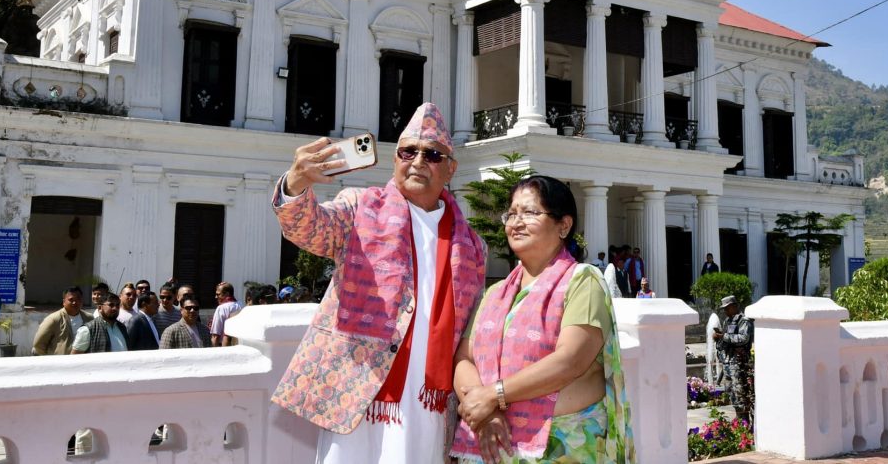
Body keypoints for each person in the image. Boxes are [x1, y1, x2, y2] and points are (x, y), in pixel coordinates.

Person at [271, 102, 486, 464]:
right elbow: (309, 229)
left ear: (450, 169)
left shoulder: (473, 246)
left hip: (428, 401)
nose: (418, 161)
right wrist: (296, 182)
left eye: (432, 154)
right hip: (358, 389)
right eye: (408, 151)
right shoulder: (360, 206)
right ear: (395, 159)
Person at [451, 176, 634, 464]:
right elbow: (464, 358)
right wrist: (487, 410)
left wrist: (494, 395)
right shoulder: (495, 293)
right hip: (496, 443)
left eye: (530, 212)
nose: (516, 222)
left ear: (563, 225)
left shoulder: (582, 281)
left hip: (565, 447)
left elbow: (570, 360)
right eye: (511, 213)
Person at [714, 295, 754, 425]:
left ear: (734, 306)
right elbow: (725, 339)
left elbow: (744, 338)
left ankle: (745, 421)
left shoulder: (744, 321)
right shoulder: (727, 321)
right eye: (724, 309)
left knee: (740, 391)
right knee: (731, 391)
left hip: (739, 363)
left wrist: (723, 336)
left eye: (727, 308)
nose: (725, 311)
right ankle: (738, 417)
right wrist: (719, 338)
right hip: (728, 362)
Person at [32, 286, 91, 355]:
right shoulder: (53, 319)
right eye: (71, 300)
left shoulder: (89, 318)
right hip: (60, 363)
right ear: (64, 302)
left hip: (85, 362)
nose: (75, 302)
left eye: (78, 299)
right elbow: (38, 345)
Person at [211, 282, 242, 347]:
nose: (216, 297)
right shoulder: (241, 305)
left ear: (227, 294)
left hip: (224, 347)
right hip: (239, 346)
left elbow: (215, 335)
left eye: (218, 294)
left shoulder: (221, 308)